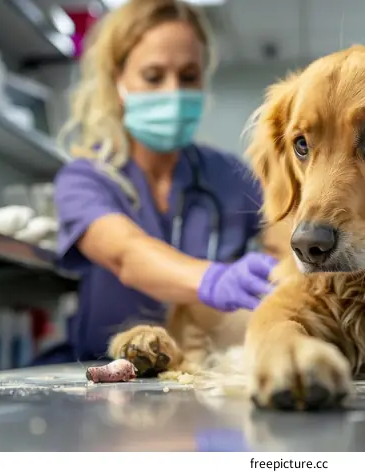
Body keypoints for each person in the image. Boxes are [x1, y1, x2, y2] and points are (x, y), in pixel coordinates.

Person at [31, 0, 277, 365]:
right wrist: (214, 281)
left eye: (189, 75)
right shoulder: (86, 178)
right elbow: (125, 254)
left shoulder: (229, 176)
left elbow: (285, 235)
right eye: (153, 76)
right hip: (100, 372)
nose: (173, 91)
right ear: (119, 82)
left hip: (203, 370)